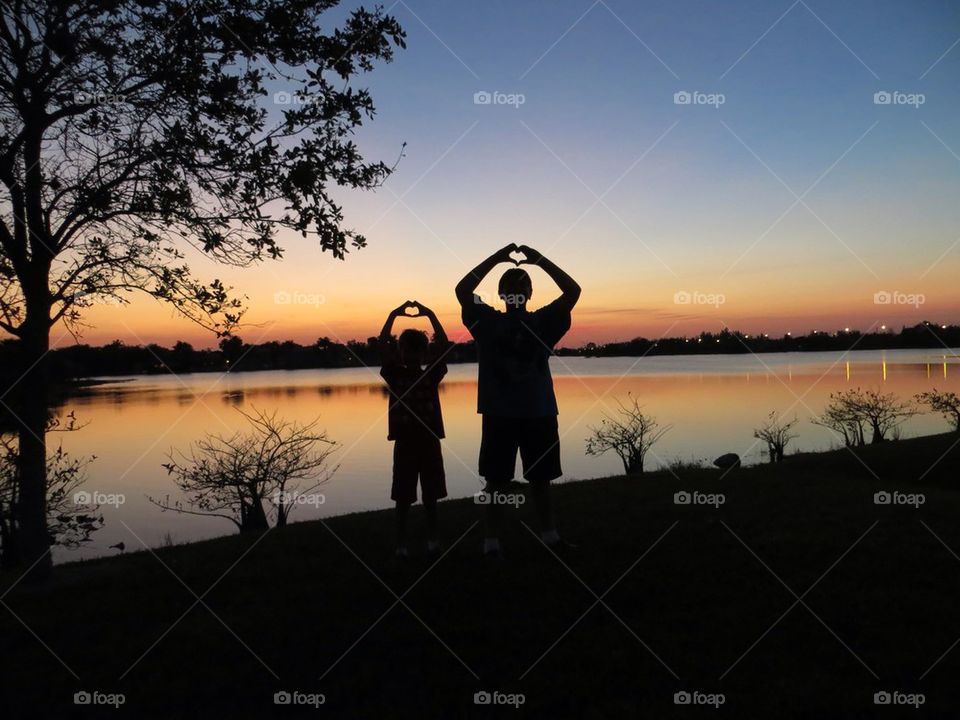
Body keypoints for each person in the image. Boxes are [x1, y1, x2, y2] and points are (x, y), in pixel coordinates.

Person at [455, 244, 581, 557]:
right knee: (496, 481)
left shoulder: (545, 322)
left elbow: (573, 290)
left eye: (521, 285)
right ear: (500, 293)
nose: (515, 289)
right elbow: (462, 288)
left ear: (529, 293)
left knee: (541, 479)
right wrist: (496, 258)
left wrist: (539, 261)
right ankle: (491, 542)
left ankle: (550, 537)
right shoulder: (486, 321)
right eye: (509, 286)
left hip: (538, 412)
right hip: (500, 414)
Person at [379, 300, 449, 559]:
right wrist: (393, 314)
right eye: (406, 350)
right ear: (401, 353)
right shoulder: (394, 374)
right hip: (405, 443)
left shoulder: (431, 375)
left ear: (423, 354)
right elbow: (382, 343)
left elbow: (443, 344)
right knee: (403, 498)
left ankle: (433, 541)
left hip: (429, 441)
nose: (411, 355)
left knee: (431, 497)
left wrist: (430, 314)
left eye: (416, 351)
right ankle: (401, 545)